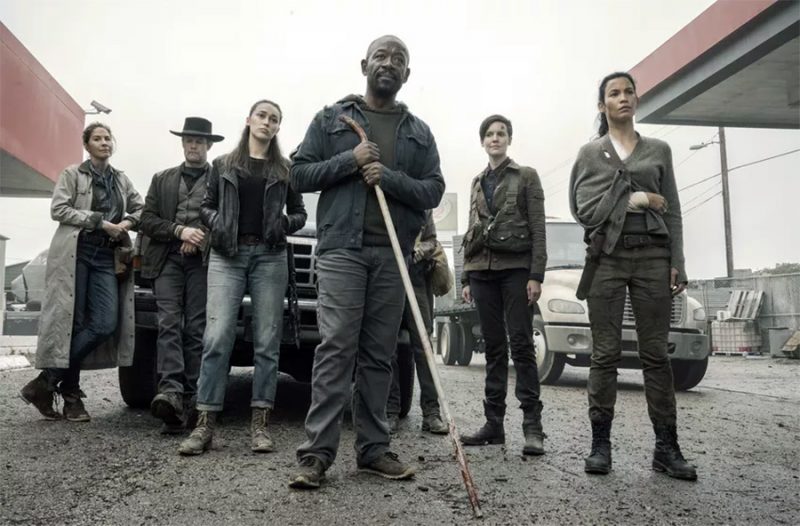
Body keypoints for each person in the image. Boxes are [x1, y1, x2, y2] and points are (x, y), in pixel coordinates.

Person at [289, 35, 445, 489]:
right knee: (337, 348)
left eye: (399, 59)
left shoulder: (419, 132)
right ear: (364, 65)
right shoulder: (332, 119)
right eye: (381, 56)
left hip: (393, 254)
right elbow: (298, 174)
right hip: (342, 250)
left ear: (407, 74)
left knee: (380, 354)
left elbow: (433, 190)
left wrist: (389, 178)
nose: (389, 63)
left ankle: (373, 450)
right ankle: (316, 454)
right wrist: (349, 159)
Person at [568, 71, 697, 480]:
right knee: (604, 354)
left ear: (636, 99)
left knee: (656, 354)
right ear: (602, 105)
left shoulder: (659, 150)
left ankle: (666, 448)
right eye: (614, 93)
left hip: (653, 257)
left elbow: (673, 209)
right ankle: (600, 446)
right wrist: (636, 198)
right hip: (607, 257)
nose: (623, 97)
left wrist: (678, 260)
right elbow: (584, 211)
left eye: (629, 91)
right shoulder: (590, 154)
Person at [178, 100, 306, 455]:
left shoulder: (284, 168)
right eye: (262, 116)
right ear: (249, 120)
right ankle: (204, 425)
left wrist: (283, 224)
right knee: (216, 337)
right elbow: (206, 206)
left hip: (270, 257)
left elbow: (298, 212)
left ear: (278, 127)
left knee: (267, 340)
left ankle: (260, 425)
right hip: (227, 256)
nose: (267, 122)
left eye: (274, 119)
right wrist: (219, 224)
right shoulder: (223, 164)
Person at [20, 122, 144, 422]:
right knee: (72, 326)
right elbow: (58, 209)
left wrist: (125, 224)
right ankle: (72, 399)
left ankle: (45, 382)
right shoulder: (72, 174)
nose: (104, 142)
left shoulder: (121, 179)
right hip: (76, 253)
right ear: (87, 145)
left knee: (105, 323)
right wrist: (100, 222)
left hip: (106, 256)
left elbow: (141, 208)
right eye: (97, 139)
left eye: (107, 138)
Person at [460, 114, 548, 456]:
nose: (495, 138)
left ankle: (532, 427)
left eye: (501, 133)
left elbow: (538, 228)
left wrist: (536, 274)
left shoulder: (526, 176)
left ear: (509, 139)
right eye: (489, 134)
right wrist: (466, 277)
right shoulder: (476, 181)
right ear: (482, 141)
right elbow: (472, 227)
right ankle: (493, 425)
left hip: (515, 270)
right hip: (481, 272)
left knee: (522, 344)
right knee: (494, 347)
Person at [140, 117, 224, 434]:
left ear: (209, 145)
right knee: (168, 323)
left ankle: (192, 399)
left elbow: (227, 218)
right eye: (189, 140)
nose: (193, 146)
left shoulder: (220, 180)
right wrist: (179, 231)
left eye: (199, 141)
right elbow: (147, 219)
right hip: (166, 259)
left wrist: (199, 235)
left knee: (198, 327)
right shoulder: (162, 179)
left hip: (203, 262)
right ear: (183, 143)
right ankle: (171, 392)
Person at [386, 210, 448, 435]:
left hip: (416, 279)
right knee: (388, 347)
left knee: (423, 347)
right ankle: (390, 411)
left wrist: (414, 254)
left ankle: (431, 413)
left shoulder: (421, 204)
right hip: (387, 277)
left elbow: (431, 240)